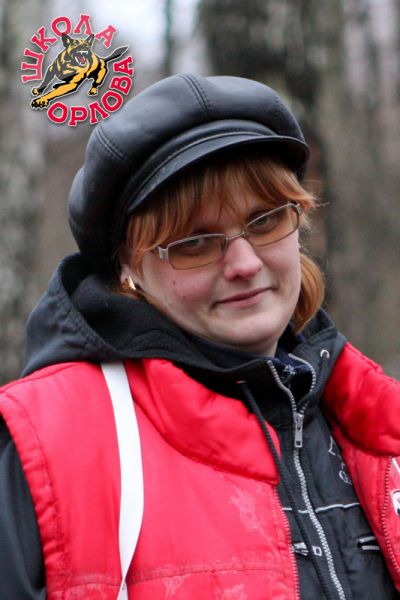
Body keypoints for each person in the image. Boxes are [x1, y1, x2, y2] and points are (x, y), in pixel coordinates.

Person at [0, 73, 399, 600]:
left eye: (264, 221)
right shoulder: (48, 448)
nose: (244, 263)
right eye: (194, 242)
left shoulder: (374, 420)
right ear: (129, 269)